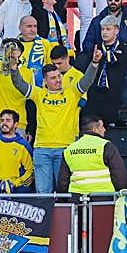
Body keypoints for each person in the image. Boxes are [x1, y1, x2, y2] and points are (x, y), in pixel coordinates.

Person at [10, 61, 97, 193]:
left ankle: (66, 215)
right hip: (41, 150)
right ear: (45, 81)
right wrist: (14, 69)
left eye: (59, 76)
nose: (58, 80)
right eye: (53, 78)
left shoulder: (72, 92)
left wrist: (94, 63)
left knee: (64, 191)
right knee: (43, 193)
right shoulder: (39, 94)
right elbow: (19, 84)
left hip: (65, 149)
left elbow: (87, 81)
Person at [80, 19, 127, 123]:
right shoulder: (95, 49)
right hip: (93, 100)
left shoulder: (125, 50)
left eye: (108, 29)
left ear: (116, 30)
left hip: (113, 101)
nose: (104, 32)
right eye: (102, 29)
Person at [57, 114, 127, 193]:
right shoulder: (106, 146)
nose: (104, 130)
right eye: (102, 127)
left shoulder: (69, 149)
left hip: (77, 198)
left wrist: (64, 199)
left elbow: (63, 180)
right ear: (94, 129)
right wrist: (120, 193)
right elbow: (119, 175)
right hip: (103, 197)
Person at [0, 39, 32, 142]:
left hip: (18, 122)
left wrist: (30, 129)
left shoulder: (28, 73)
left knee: (16, 157)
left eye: (13, 48)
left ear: (20, 52)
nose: (10, 51)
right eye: (7, 48)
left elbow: (30, 102)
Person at [0, 109, 34, 193]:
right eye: (2, 120)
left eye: (8, 120)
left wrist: (16, 183)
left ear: (15, 124)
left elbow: (30, 171)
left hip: (17, 187)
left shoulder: (23, 145)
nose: (4, 123)